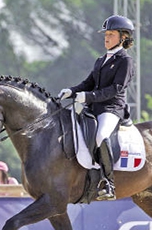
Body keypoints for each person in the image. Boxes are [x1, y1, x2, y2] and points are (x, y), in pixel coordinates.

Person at [58, 15, 135, 201]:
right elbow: (88, 83)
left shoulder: (125, 61)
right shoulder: (101, 60)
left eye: (110, 34)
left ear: (123, 37)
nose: (106, 38)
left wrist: (89, 96)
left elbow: (116, 89)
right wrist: (72, 91)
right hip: (94, 107)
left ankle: (109, 183)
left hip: (112, 108)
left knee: (101, 135)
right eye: (105, 35)